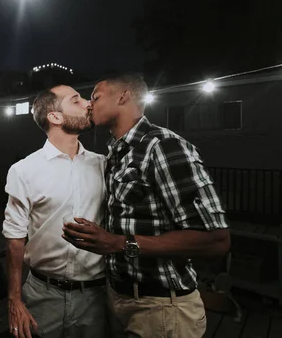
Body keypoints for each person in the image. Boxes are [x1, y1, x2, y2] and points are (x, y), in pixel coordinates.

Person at [63, 73, 230, 338]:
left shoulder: (162, 145)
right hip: (117, 299)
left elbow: (215, 239)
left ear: (123, 96)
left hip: (162, 308)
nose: (89, 104)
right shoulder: (117, 152)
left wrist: (117, 243)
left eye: (95, 96)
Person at [3, 85, 109, 338]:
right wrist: (14, 300)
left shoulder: (103, 165)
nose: (88, 104)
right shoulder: (24, 170)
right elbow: (15, 241)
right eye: (77, 100)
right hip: (42, 294)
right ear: (55, 117)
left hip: (95, 296)